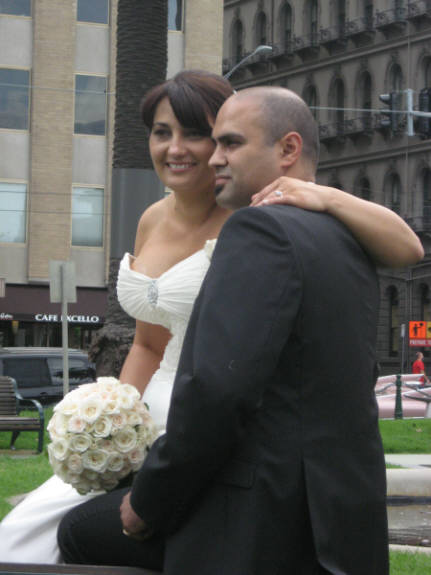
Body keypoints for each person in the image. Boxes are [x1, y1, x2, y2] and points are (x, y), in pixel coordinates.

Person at [0, 72, 422, 565]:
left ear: (285, 148)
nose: (188, 151)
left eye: (218, 140)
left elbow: (221, 390)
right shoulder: (158, 219)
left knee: (71, 534)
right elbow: (149, 344)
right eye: (162, 132)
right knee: (29, 530)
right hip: (166, 423)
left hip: (207, 442)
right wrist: (113, 421)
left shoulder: (260, 221)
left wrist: (325, 193)